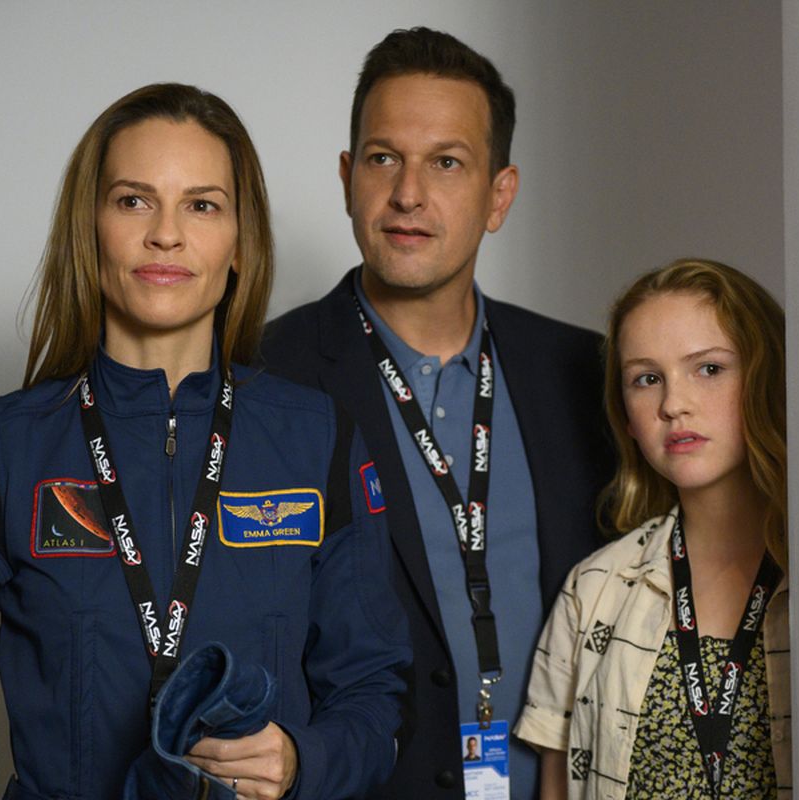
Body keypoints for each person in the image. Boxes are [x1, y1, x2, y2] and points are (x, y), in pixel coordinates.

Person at [0, 82, 410, 800]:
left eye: (202, 205)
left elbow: (372, 696)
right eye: (133, 201)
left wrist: (305, 760)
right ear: (89, 228)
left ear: (240, 243)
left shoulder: (319, 438)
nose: (166, 235)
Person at [259, 27, 612, 800]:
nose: (408, 194)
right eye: (384, 158)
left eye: (446, 162)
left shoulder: (589, 374)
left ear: (500, 195)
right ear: (348, 178)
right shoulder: (261, 378)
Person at [516, 259, 790, 799]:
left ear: (768, 376)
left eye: (708, 368)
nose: (673, 405)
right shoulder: (593, 590)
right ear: (625, 415)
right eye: (647, 379)